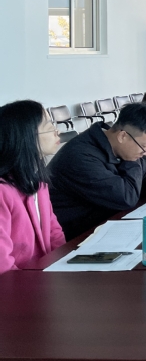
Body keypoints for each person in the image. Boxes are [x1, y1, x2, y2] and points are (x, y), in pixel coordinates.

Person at [48, 103, 146, 240]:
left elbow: (145, 174)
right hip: (76, 238)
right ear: (123, 136)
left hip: (107, 223)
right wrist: (131, 160)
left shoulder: (118, 145)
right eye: (145, 146)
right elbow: (126, 198)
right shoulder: (80, 157)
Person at [0, 100, 66, 272]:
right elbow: (3, 265)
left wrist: (64, 264)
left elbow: (54, 232)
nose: (57, 131)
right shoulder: (2, 191)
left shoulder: (38, 183)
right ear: (26, 135)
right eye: (49, 126)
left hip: (43, 276)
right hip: (18, 284)